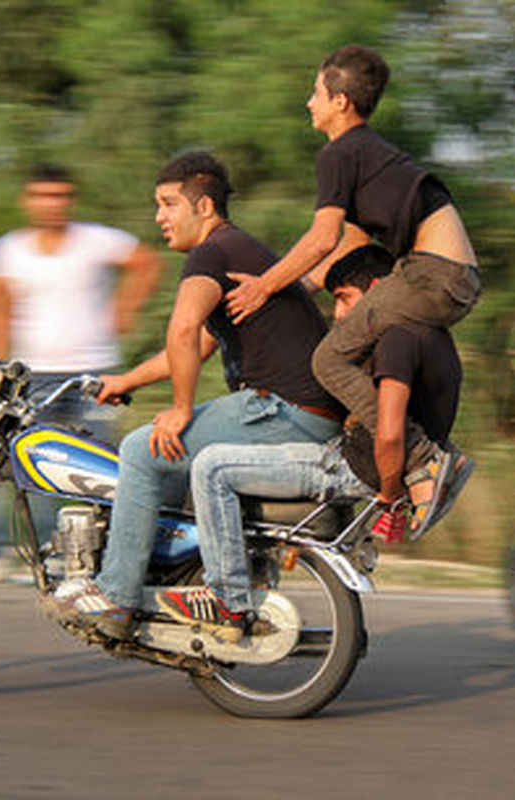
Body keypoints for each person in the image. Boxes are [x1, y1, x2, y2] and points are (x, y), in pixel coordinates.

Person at [46, 151, 344, 638]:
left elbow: (182, 330)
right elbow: (199, 343)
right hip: (299, 411)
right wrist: (126, 382)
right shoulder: (239, 250)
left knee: (141, 452)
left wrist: (181, 409)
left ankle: (115, 596)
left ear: (203, 207)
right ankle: (160, 579)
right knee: (161, 458)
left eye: (167, 204)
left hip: (281, 410)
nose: (159, 217)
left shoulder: (213, 252)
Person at [224, 43, 480, 534]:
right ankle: (399, 466)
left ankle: (425, 460)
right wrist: (296, 290)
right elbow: (350, 244)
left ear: (341, 101)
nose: (309, 102)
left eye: (316, 91)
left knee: (328, 359)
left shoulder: (339, 152)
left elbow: (321, 238)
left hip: (431, 273)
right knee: (355, 350)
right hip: (453, 277)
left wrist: (263, 288)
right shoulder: (370, 154)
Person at [156, 244, 465, 639]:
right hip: (351, 458)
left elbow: (389, 432)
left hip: (349, 468)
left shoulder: (396, 340)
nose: (338, 314)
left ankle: (227, 600)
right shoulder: (433, 335)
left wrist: (390, 491)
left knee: (211, 466)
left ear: (376, 290)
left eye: (343, 300)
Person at [0, 163, 162, 442]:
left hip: (95, 372)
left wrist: (124, 310)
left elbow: (147, 262)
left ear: (71, 200)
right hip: (31, 375)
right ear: (25, 201)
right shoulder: (8, 249)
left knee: (98, 455)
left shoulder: (96, 238)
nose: (52, 204)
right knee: (33, 456)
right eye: (42, 196)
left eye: (60, 196)